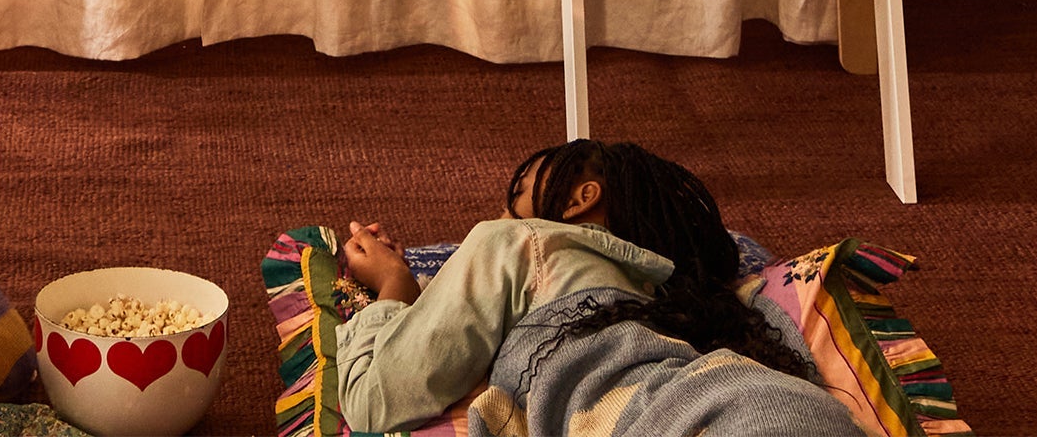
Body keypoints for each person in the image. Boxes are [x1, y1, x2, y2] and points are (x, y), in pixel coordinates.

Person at [336, 139, 862, 435]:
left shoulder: (524, 243)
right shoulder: (687, 306)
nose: (499, 215)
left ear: (577, 201)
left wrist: (393, 288)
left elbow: (373, 401)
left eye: (516, 194)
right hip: (790, 412)